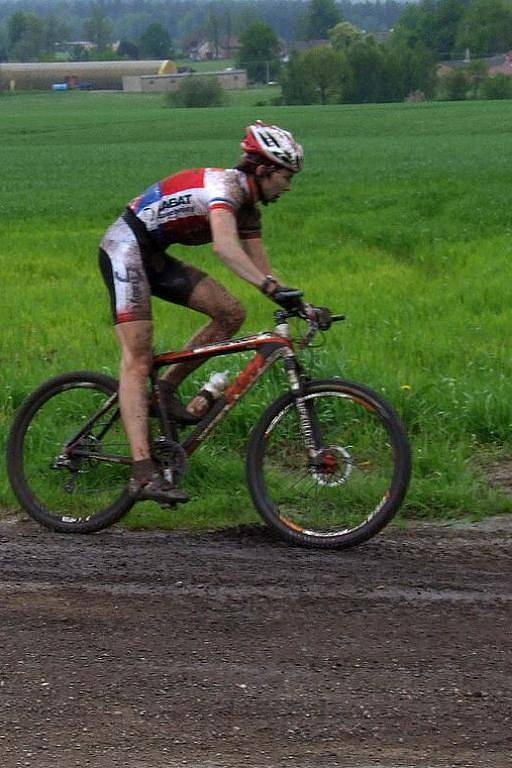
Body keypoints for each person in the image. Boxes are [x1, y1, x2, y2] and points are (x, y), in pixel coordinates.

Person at [99, 120, 306, 504]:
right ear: (264, 169)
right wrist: (270, 287)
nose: (288, 186)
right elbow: (225, 249)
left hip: (154, 256)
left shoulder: (249, 210)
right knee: (138, 358)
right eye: (286, 176)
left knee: (230, 313)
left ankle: (164, 390)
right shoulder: (225, 190)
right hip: (125, 247)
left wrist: (302, 305)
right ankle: (142, 472)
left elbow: (264, 273)